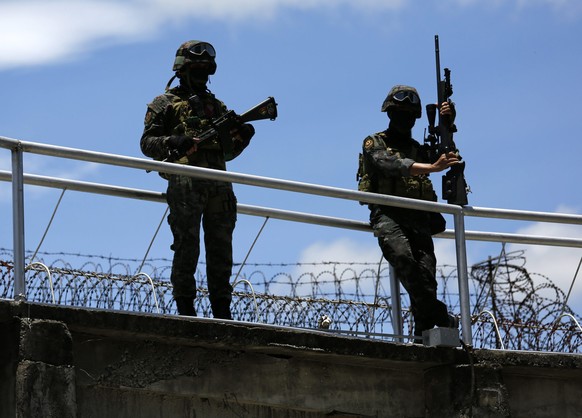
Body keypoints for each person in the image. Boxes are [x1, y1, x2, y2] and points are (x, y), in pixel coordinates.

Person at [140, 40, 255, 319]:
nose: (202, 73)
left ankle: (222, 310)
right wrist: (173, 141)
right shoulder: (163, 103)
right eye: (196, 67)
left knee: (221, 249)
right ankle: (186, 308)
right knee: (187, 247)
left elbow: (228, 152)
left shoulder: (216, 106)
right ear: (183, 69)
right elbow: (146, 143)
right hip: (185, 184)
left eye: (206, 68)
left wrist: (242, 137)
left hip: (219, 184)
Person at [357, 85, 459, 338]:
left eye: (409, 115)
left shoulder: (419, 148)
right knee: (403, 259)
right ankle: (441, 317)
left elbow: (450, 158)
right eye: (399, 114)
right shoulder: (374, 142)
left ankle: (421, 338)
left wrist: (448, 125)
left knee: (426, 280)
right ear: (390, 114)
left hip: (419, 218)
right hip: (389, 215)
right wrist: (432, 167)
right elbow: (388, 164)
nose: (404, 120)